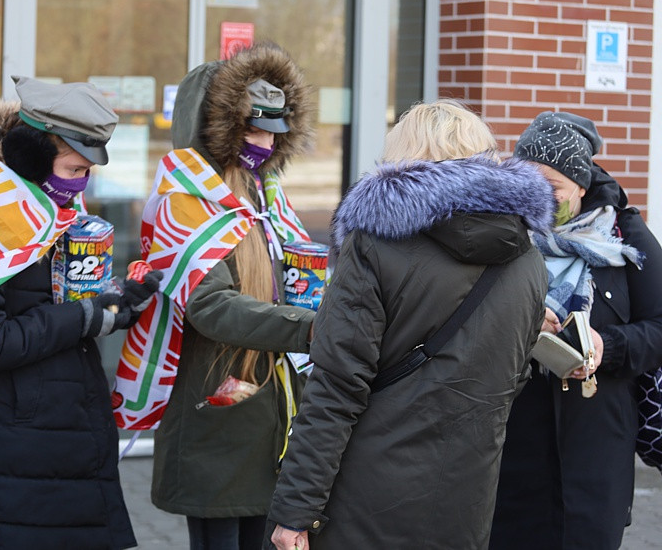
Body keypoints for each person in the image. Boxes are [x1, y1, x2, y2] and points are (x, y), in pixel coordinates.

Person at [266, 99, 557, 549]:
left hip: (366, 498)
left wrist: (294, 512)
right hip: (467, 500)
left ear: (404, 158)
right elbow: (511, 380)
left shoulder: (375, 243)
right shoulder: (529, 260)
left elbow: (337, 386)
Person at [0, 76, 161, 549]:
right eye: (74, 169)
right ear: (31, 158)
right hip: (9, 458)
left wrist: (116, 305)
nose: (81, 184)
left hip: (58, 447)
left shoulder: (49, 212)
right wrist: (85, 317)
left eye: (87, 172)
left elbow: (54, 305)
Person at [147, 43, 316, 550]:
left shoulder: (266, 198)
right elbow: (210, 305)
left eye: (275, 132)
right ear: (215, 129)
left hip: (269, 414)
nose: (266, 143)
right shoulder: (184, 202)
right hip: (216, 414)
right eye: (253, 130)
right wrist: (309, 328)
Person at [489, 112, 662, 550]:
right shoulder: (499, 233)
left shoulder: (624, 237)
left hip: (596, 456)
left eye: (553, 187)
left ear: (582, 186)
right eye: (528, 183)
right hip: (512, 455)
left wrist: (609, 346)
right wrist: (521, 322)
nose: (539, 198)